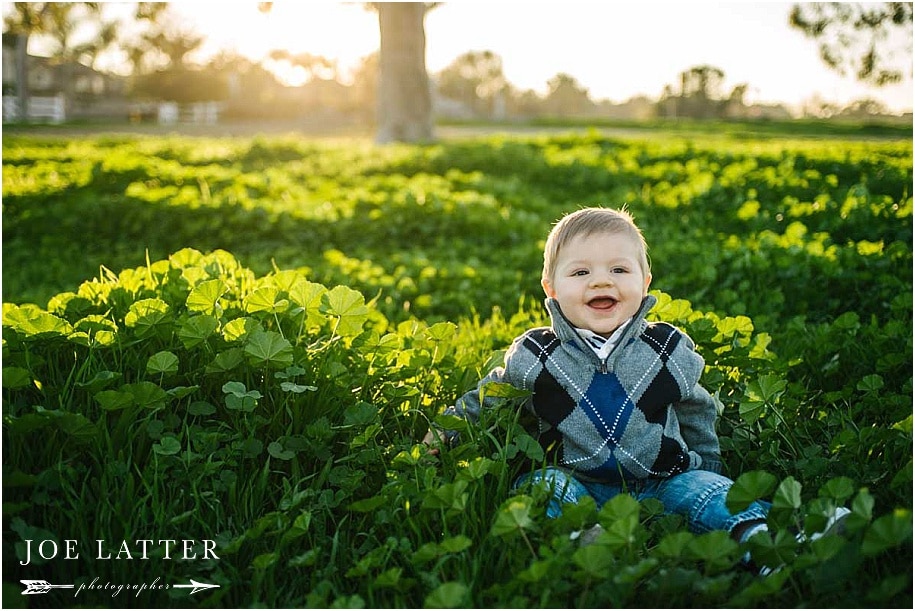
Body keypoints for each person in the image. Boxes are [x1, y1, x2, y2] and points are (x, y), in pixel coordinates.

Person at [422, 206, 849, 569]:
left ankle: (774, 542)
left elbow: (697, 410)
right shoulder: (536, 355)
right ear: (551, 287)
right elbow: (489, 396)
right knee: (541, 487)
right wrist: (445, 432)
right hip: (577, 478)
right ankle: (582, 545)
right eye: (581, 271)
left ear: (645, 282)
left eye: (619, 270)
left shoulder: (666, 349)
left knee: (708, 494)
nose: (602, 282)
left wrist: (709, 466)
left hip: (662, 478)